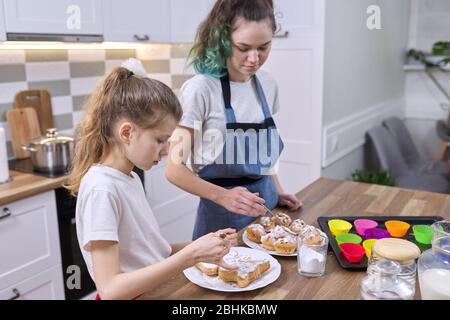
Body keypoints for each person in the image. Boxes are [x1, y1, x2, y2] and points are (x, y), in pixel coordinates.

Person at [65, 59, 237, 300]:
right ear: (126, 132)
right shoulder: (102, 189)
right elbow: (110, 289)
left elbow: (153, 254)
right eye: (159, 140)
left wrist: (204, 246)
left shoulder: (130, 178)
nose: (167, 150)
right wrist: (190, 256)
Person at [166, 0, 302, 240]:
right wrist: (223, 196)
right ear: (222, 39)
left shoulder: (268, 85)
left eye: (264, 47)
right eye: (243, 47)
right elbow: (174, 170)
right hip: (221, 224)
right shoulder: (201, 90)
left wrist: (278, 191)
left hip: (267, 215)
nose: (254, 58)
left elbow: (262, 155)